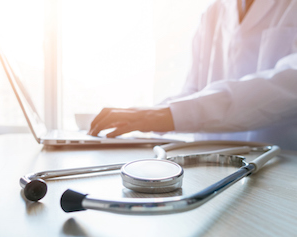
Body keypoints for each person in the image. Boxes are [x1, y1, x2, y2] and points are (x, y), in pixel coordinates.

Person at [89, 0, 297, 150]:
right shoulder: (213, 13)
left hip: (280, 169)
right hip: (211, 165)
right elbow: (194, 92)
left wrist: (166, 116)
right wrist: (143, 117)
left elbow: (288, 85)